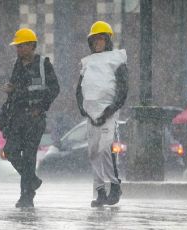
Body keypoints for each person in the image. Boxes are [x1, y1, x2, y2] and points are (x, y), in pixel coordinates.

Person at [0, 28, 60, 208]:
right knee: (10, 151)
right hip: (17, 117)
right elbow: (16, 91)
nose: (18, 49)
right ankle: (32, 180)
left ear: (31, 46)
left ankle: (26, 197)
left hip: (35, 118)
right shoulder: (16, 65)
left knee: (29, 157)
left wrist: (40, 107)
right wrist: (10, 91)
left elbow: (55, 88)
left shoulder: (43, 64)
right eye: (17, 46)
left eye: (21, 46)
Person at [76, 21, 128, 207]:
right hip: (91, 114)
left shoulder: (117, 60)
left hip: (108, 113)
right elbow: (79, 89)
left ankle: (114, 186)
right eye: (94, 40)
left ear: (107, 40)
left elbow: (123, 89)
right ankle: (99, 191)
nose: (97, 43)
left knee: (106, 149)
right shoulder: (87, 63)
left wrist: (111, 109)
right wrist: (84, 109)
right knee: (93, 152)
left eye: (100, 39)